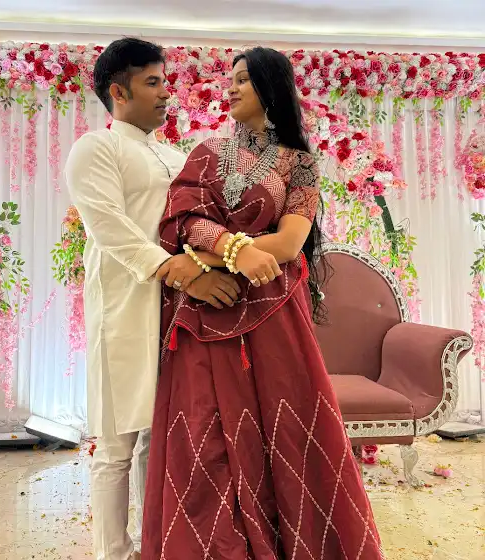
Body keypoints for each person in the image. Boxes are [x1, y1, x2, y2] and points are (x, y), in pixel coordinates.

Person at [141, 47, 383, 559]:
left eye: (243, 80)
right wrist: (231, 252)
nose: (230, 88)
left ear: (271, 88)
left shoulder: (300, 164)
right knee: (202, 432)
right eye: (230, 79)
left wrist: (221, 253)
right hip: (205, 307)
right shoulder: (206, 152)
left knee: (286, 428)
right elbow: (181, 221)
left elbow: (290, 243)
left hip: (274, 310)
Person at [65, 38, 241, 560]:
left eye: (166, 81)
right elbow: (108, 226)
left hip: (178, 312)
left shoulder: (174, 155)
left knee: (159, 439)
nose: (166, 93)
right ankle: (113, 554)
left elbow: (195, 222)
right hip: (124, 306)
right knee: (116, 445)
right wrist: (176, 272)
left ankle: (155, 547)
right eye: (152, 82)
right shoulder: (96, 148)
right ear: (118, 92)